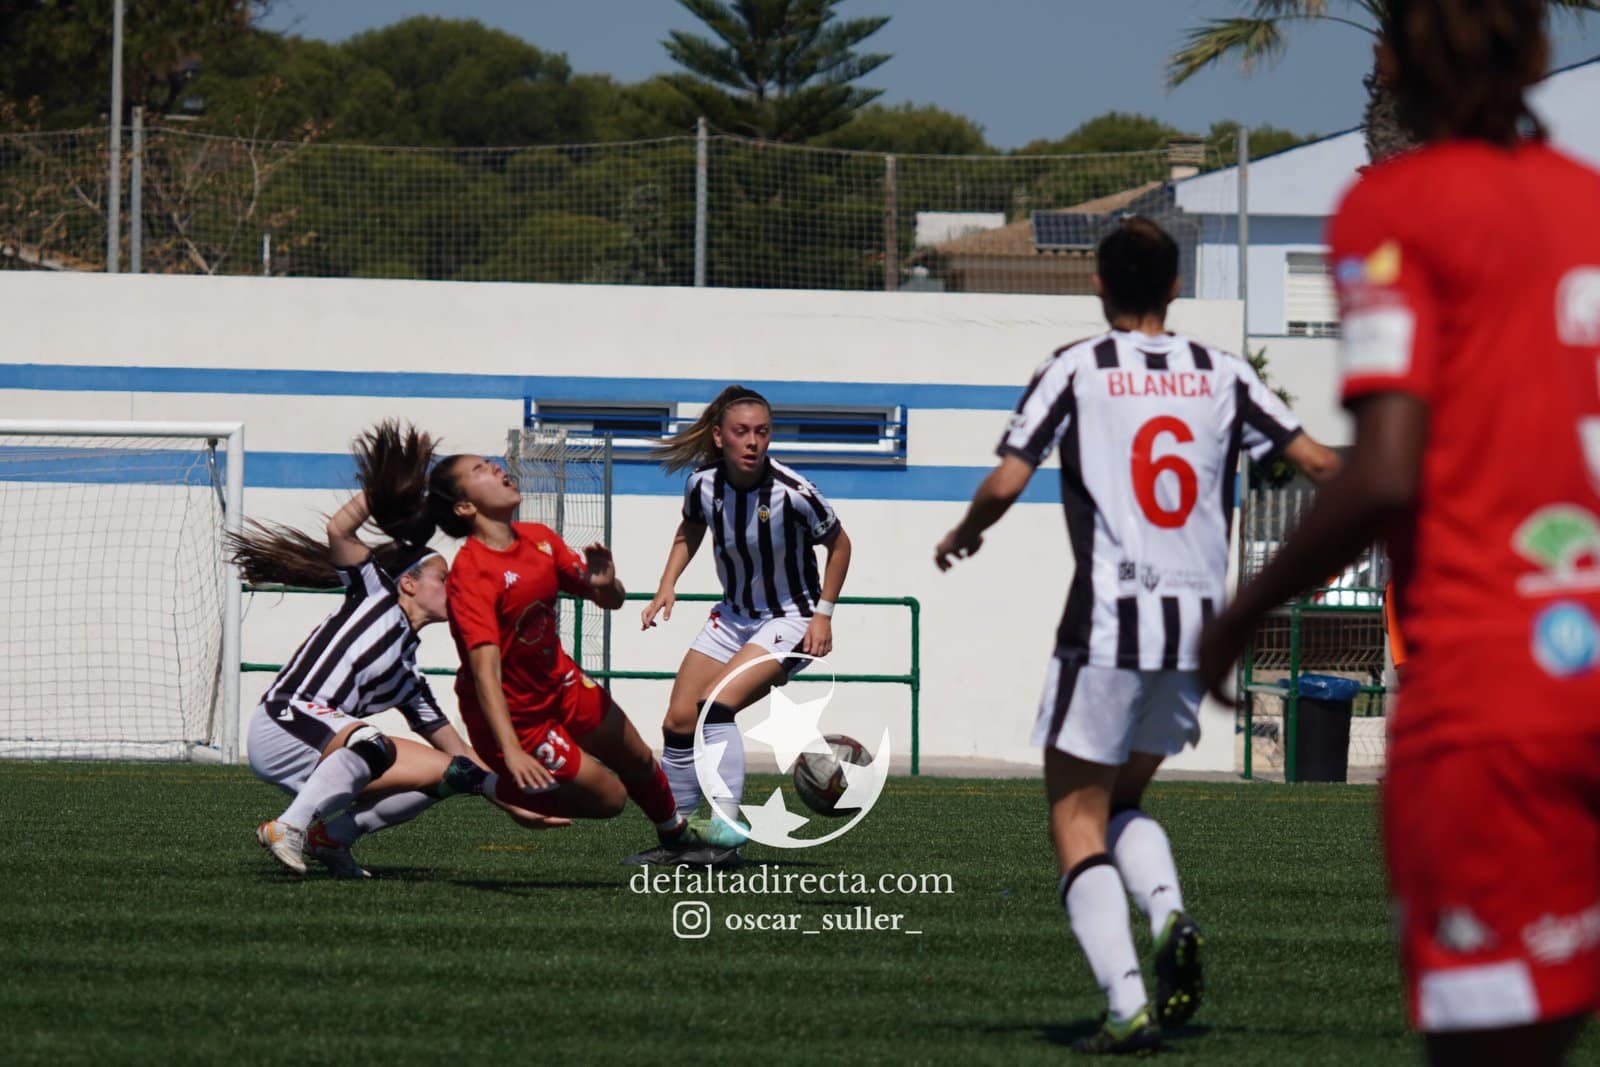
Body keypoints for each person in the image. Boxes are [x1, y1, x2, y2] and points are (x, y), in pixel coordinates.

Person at [1200, 4, 1600, 1063]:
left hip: (1492, 696)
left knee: (1490, 1039)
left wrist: (1241, 612)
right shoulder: (1588, 201)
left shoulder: (1397, 203)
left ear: (1401, 59)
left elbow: (1385, 466)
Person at [935, 217, 1339, 1053]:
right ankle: (1167, 911)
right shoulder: (1224, 372)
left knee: (1074, 817)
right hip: (1197, 631)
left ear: (1097, 283)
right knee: (1121, 802)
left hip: (1110, 622)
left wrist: (964, 532)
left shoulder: (1076, 366)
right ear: (1176, 287)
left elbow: (1007, 479)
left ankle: (1128, 1003)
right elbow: (1323, 464)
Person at [361, 423, 741, 855]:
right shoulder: (471, 573)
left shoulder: (538, 539)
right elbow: (485, 672)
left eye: (491, 463)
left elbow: (611, 600)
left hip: (561, 682)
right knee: (610, 800)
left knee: (636, 756)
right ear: (465, 507)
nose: (498, 468)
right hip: (517, 716)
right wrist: (510, 749)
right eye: (481, 470)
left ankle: (675, 834)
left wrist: (605, 584)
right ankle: (483, 782)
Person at [238, 426, 560, 879]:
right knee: (371, 743)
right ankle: (287, 827)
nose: (455, 587)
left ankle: (333, 838)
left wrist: (512, 800)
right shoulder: (374, 594)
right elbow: (339, 529)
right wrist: (389, 490)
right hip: (282, 723)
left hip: (328, 750)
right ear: (407, 583)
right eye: (444, 579)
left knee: (456, 773)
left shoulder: (410, 679)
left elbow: (461, 752)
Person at [640, 385, 853, 860]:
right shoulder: (702, 484)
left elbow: (840, 545)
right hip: (734, 615)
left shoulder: (793, 492)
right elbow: (691, 527)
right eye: (742, 432)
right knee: (678, 722)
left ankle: (725, 828)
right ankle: (680, 842)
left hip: (791, 617)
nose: (753, 441)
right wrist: (666, 585)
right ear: (719, 437)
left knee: (716, 706)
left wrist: (823, 616)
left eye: (762, 432)